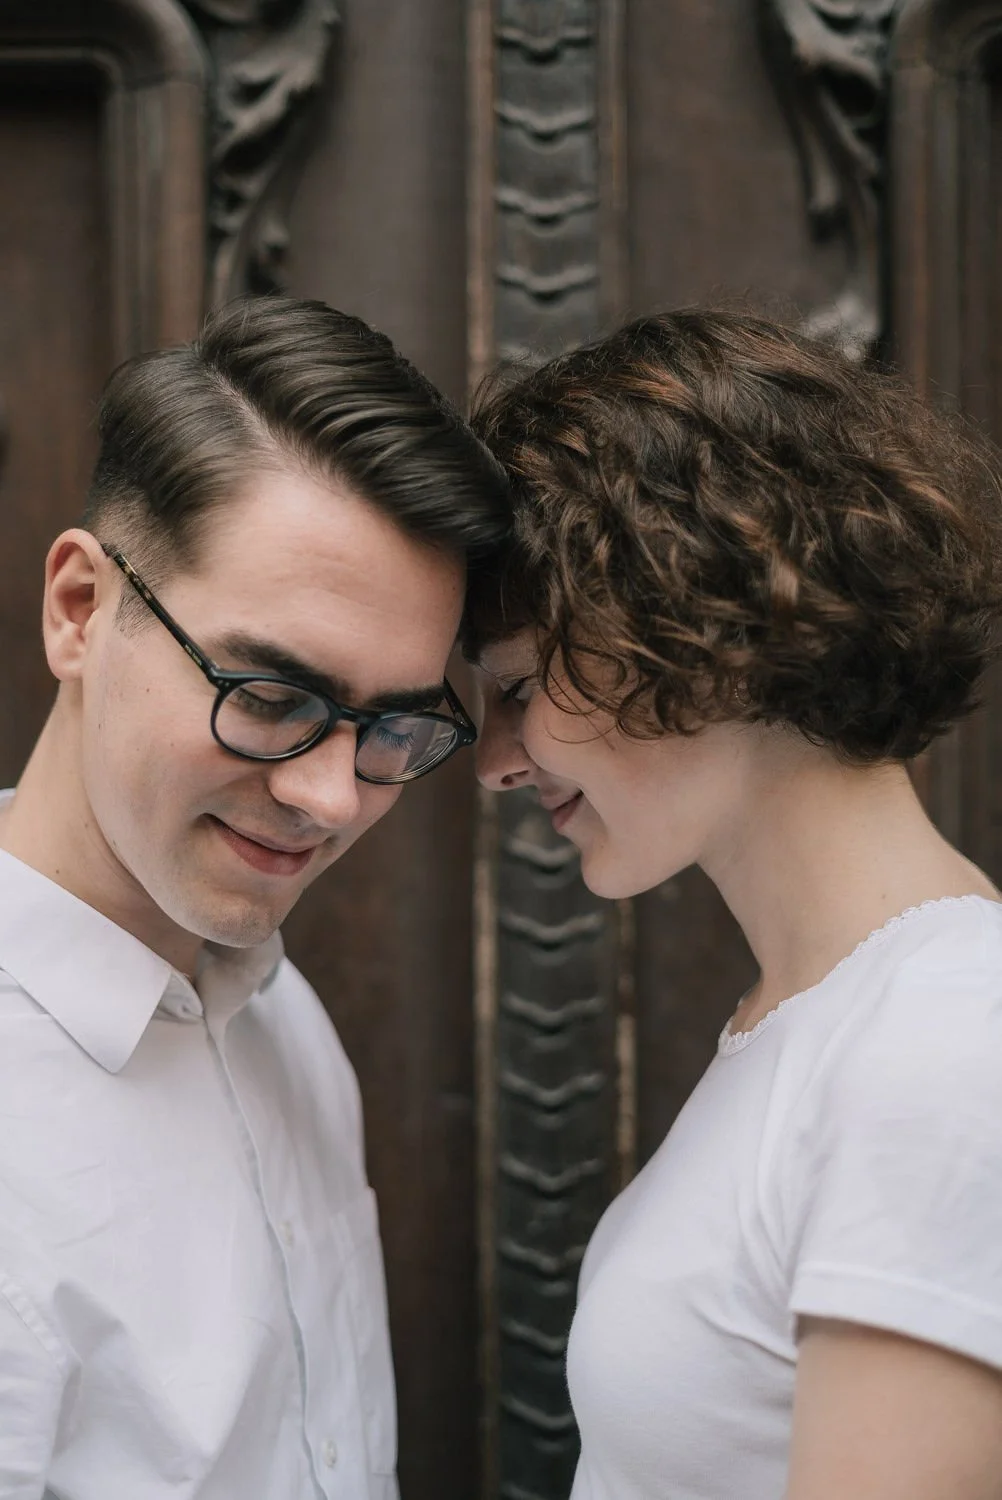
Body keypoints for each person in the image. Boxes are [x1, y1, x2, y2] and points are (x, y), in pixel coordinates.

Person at [465, 310, 1002, 1500]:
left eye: (514, 688)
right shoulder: (819, 1019)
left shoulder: (942, 1045)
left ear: (675, 612)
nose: (495, 762)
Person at [0, 295, 507, 1498]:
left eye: (393, 724)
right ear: (82, 610)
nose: (333, 799)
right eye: (272, 696)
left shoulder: (281, 1015)